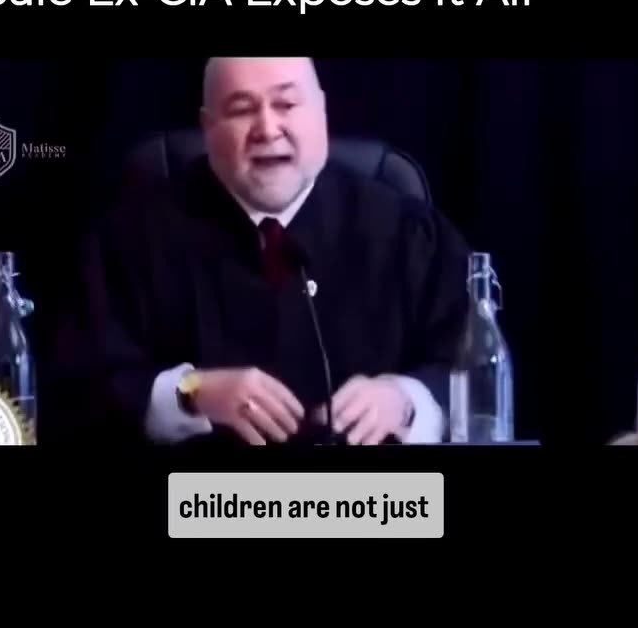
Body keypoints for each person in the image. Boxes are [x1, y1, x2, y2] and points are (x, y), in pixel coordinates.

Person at [53, 57, 470, 446]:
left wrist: (405, 400)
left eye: (286, 104)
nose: (268, 129)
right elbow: (79, 389)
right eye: (241, 110)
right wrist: (192, 393)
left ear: (321, 112)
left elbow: (474, 368)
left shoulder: (409, 233)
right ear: (208, 127)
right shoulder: (130, 239)